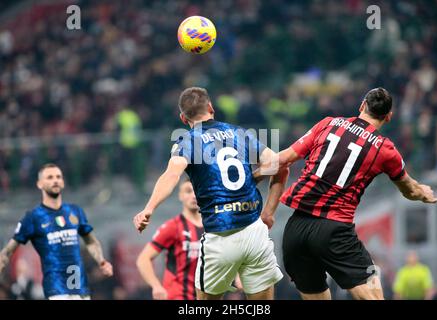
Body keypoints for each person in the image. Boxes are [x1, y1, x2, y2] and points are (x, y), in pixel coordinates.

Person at [266, 87, 437, 300]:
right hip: (334, 231)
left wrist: (249, 172)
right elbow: (409, 190)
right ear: (389, 117)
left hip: (296, 230)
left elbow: (282, 159)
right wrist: (423, 193)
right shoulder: (385, 149)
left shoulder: (328, 123)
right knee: (373, 290)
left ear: (362, 106)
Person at [134, 87, 288, 300]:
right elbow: (278, 165)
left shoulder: (186, 141)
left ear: (182, 118)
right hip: (255, 231)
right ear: (211, 107)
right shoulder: (239, 133)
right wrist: (267, 208)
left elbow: (171, 175)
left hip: (220, 236)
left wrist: (148, 208)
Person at [0, 163, 113, 300]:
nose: (55, 180)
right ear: (39, 184)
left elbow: (90, 241)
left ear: (63, 182)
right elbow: (8, 251)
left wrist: (101, 261)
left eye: (58, 177)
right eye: (50, 177)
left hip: (81, 290)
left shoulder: (75, 211)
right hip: (57, 292)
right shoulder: (33, 217)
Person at [136, 180, 204, 300]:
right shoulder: (173, 227)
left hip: (206, 295)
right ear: (180, 196)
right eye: (188, 191)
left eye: (196, 191)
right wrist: (156, 286)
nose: (193, 195)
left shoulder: (213, 227)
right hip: (178, 295)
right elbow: (143, 259)